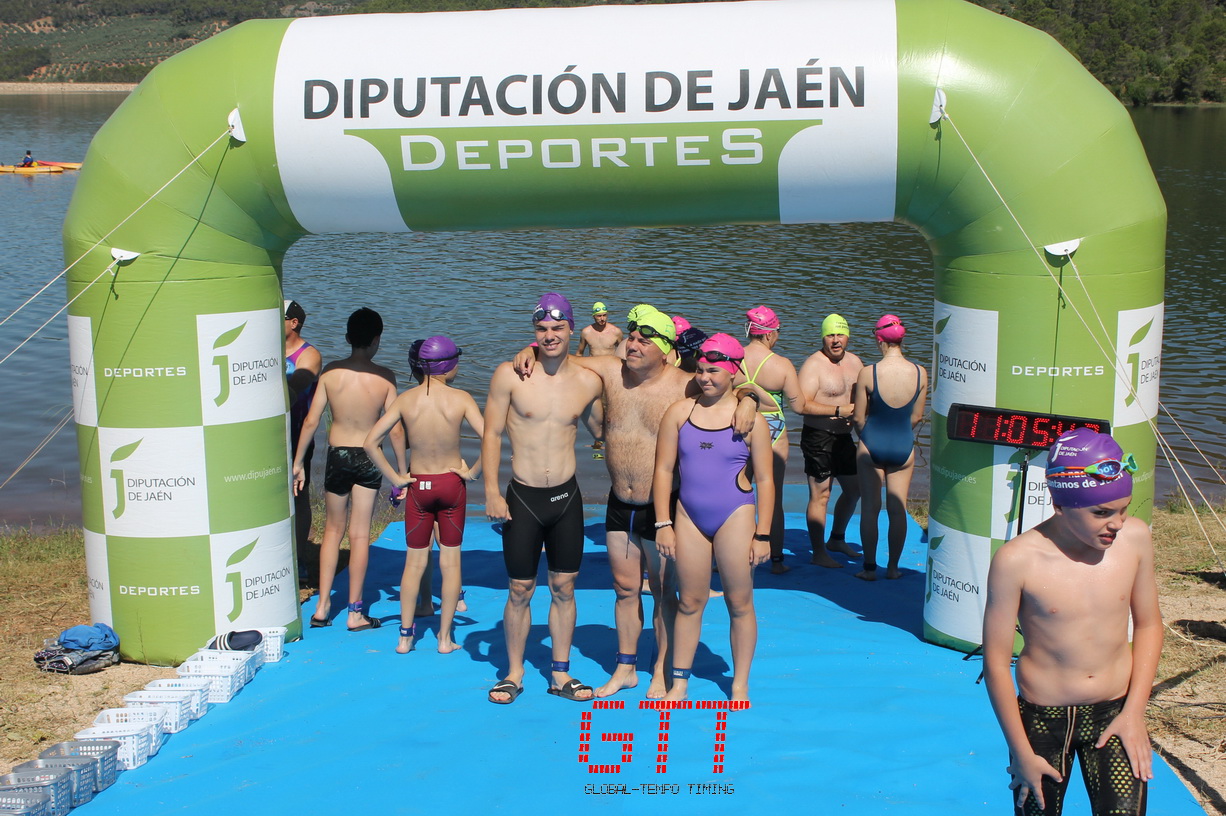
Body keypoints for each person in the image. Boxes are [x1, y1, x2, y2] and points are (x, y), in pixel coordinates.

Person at [513, 305, 758, 699]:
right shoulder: (611, 371)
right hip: (618, 503)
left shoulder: (685, 385)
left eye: (645, 341)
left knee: (663, 591)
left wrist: (749, 399)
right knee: (625, 589)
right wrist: (530, 348)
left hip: (661, 506)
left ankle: (661, 670)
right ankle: (626, 668)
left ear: (666, 350)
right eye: (631, 338)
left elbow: (730, 382)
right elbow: (561, 357)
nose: (633, 345)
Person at [983, 428, 1161, 816]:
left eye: (1123, 509)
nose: (1117, 523)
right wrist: (1020, 751)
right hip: (1042, 721)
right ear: (1060, 505)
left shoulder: (1134, 539)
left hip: (1115, 713)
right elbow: (995, 663)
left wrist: (1135, 712)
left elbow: (1149, 625)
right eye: (1101, 513)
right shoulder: (1018, 560)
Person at [483, 293, 603, 704]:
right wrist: (492, 492)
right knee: (520, 588)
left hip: (567, 497)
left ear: (572, 329)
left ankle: (560, 673)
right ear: (533, 332)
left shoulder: (588, 381)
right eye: (541, 329)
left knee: (564, 587)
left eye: (557, 328)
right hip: (523, 497)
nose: (549, 336)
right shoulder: (510, 375)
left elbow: (604, 427)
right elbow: (490, 434)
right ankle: (513, 673)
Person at [655, 333, 774, 704]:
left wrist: (763, 535)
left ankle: (739, 683)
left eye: (714, 371)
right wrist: (663, 524)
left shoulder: (751, 421)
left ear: (733, 372)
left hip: (735, 514)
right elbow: (663, 471)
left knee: (739, 602)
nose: (705, 377)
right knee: (689, 601)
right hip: (688, 515)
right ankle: (679, 683)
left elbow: (766, 480)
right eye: (701, 370)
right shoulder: (680, 413)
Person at [364, 335, 483, 655]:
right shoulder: (461, 398)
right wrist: (472, 472)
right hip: (451, 485)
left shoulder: (406, 400)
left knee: (414, 563)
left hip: (419, 486)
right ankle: (444, 639)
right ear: (449, 365)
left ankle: (405, 638)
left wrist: (396, 479)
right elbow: (492, 438)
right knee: (451, 563)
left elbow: (370, 442)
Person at [293, 308, 403, 631]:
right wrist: (400, 473)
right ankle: (355, 612)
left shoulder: (331, 372)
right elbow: (396, 429)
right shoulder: (385, 377)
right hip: (369, 457)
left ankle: (322, 607)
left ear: (347, 338)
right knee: (360, 534)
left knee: (332, 531)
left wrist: (298, 463)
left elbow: (311, 420)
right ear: (377, 339)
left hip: (338, 455)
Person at [734, 305, 814, 574]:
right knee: (773, 497)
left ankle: (729, 558)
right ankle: (777, 560)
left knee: (737, 494)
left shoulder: (734, 358)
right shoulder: (781, 365)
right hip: (773, 427)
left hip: (740, 426)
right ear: (769, 334)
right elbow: (800, 406)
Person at [852, 314, 927, 580]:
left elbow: (858, 418)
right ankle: (893, 568)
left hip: (872, 443)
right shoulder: (920, 373)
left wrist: (867, 436)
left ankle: (869, 569)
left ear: (878, 338)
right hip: (902, 444)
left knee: (870, 509)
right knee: (897, 510)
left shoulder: (868, 372)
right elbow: (916, 416)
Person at [797, 314, 864, 568]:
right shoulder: (813, 365)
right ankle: (818, 553)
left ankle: (836, 539)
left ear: (848, 336)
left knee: (854, 489)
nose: (835, 340)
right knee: (821, 495)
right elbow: (801, 405)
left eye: (840, 334)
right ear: (823, 337)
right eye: (830, 335)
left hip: (845, 437)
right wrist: (838, 410)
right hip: (818, 437)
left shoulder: (856, 363)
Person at [284, 299, 322, 576]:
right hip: (268, 434)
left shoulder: (309, 356)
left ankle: (298, 559)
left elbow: (292, 391)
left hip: (298, 434)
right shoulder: (265, 350)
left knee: (298, 495)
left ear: (294, 322)